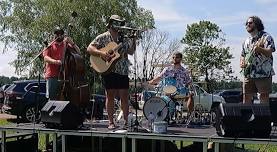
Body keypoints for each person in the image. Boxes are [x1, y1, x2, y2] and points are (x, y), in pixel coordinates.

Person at [87, 15, 137, 129]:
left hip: (123, 70)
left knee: (125, 96)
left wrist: (134, 40)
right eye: (116, 23)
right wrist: (101, 53)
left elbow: (131, 51)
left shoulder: (123, 38)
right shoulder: (103, 37)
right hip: (108, 69)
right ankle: (111, 122)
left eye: (119, 23)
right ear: (111, 24)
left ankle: (125, 122)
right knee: (110, 95)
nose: (118, 25)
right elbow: (89, 48)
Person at [240, 16, 275, 104]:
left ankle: (263, 117)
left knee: (263, 95)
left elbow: (269, 52)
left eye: (250, 23)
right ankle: (247, 116)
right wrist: (242, 62)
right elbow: (242, 55)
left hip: (263, 73)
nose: (248, 24)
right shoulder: (246, 41)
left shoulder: (266, 37)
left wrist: (260, 49)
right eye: (247, 23)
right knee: (246, 96)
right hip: (248, 73)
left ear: (257, 24)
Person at [43, 27, 80, 100]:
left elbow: (78, 52)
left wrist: (72, 43)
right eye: (57, 34)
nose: (59, 35)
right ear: (54, 35)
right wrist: (56, 61)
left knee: (64, 98)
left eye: (61, 34)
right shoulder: (50, 45)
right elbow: (45, 58)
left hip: (65, 76)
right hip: (52, 76)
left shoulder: (66, 45)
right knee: (52, 98)